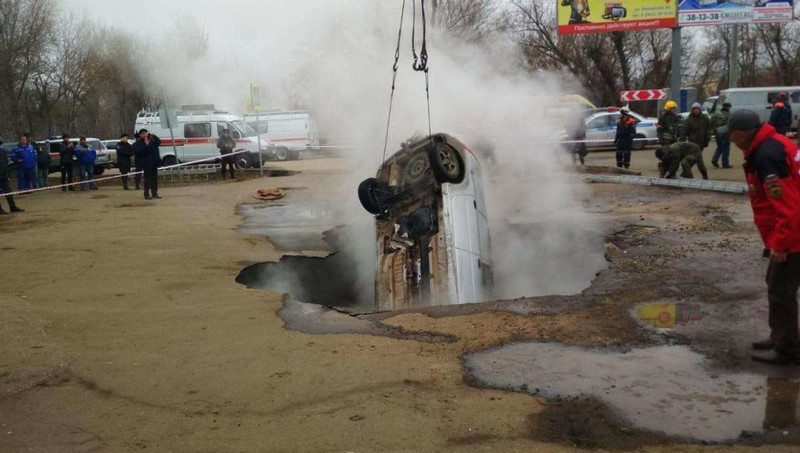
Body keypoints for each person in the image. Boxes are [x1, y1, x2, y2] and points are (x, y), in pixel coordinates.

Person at [724, 109, 800, 365]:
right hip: (789, 231)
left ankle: (788, 349)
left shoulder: (768, 157)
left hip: (793, 234)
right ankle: (779, 336)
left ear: (741, 134)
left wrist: (780, 245)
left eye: (732, 136)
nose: (731, 141)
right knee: (775, 283)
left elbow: (789, 208)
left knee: (781, 291)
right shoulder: (772, 144)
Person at [134, 129, 161, 200]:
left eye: (146, 133)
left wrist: (155, 136)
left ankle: (154, 193)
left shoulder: (151, 140)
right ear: (140, 135)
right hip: (146, 163)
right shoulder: (139, 142)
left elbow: (158, 142)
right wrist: (146, 145)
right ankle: (146, 194)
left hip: (154, 162)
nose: (145, 135)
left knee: (154, 179)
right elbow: (139, 151)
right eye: (143, 134)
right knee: (147, 180)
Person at [0, 139, 24, 214]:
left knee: (8, 191)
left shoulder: (3, 151)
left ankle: (12, 207)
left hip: (4, 174)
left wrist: (6, 172)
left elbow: (6, 162)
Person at [710, 102, 733, 169]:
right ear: (728, 108)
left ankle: (714, 159)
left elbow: (711, 123)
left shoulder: (716, 115)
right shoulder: (729, 115)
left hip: (717, 133)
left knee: (719, 147)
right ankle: (725, 164)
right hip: (725, 134)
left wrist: (713, 130)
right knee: (726, 149)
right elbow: (730, 125)